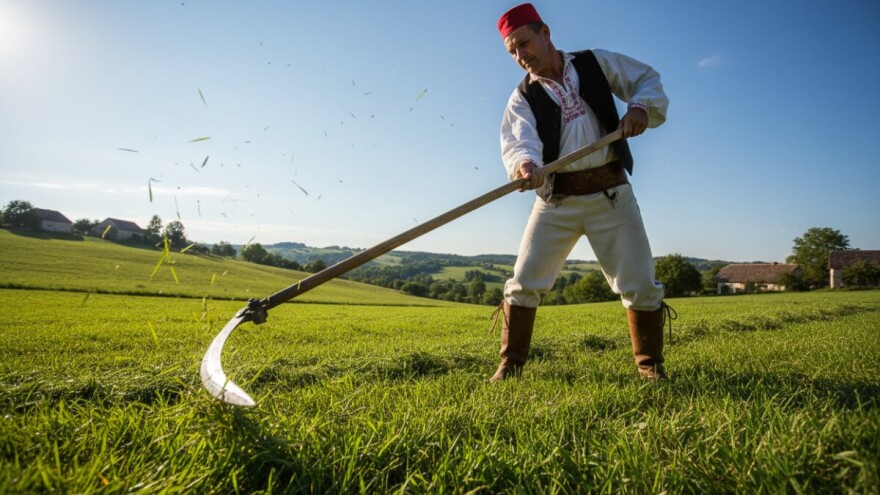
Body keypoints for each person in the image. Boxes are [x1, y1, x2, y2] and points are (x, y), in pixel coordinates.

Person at [491, 3, 672, 381]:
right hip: (555, 201)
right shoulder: (521, 98)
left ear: (546, 33)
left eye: (524, 43)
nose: (521, 56)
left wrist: (639, 108)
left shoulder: (596, 63)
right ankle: (510, 366)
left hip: (612, 194)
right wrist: (526, 165)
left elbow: (647, 80)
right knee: (524, 282)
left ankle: (649, 366)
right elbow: (519, 142)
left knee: (639, 283)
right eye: (512, 52)